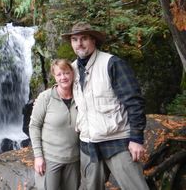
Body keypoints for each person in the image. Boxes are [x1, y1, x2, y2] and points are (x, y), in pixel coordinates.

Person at [61, 22, 149, 190]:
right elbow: (62, 93)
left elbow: (134, 101)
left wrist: (136, 139)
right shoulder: (71, 69)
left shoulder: (112, 64)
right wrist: (43, 100)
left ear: (93, 40)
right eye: (74, 39)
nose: (79, 43)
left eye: (84, 38)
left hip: (118, 142)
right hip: (88, 145)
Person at [29, 59, 80, 190]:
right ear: (54, 77)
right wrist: (38, 156)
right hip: (50, 159)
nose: (63, 77)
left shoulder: (81, 96)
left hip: (74, 159)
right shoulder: (45, 97)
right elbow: (34, 126)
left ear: (72, 74)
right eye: (59, 74)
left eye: (66, 73)